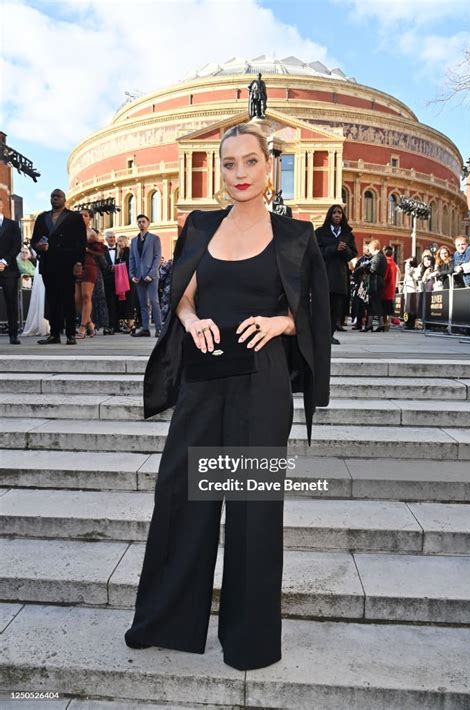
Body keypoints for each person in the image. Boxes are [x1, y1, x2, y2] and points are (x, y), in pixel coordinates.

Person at [124, 122, 331, 672]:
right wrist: (190, 321)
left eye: (250, 162)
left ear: (270, 168)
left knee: (252, 512)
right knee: (180, 497)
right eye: (229, 163)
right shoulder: (199, 225)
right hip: (202, 378)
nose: (239, 173)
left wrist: (281, 323)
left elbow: (312, 313)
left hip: (261, 385)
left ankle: (249, 640)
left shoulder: (296, 236)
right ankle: (165, 622)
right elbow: (182, 293)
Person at [31, 189, 86, 345]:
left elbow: (81, 242)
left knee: (68, 299)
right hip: (48, 263)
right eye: (52, 197)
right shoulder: (42, 218)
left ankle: (70, 334)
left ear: (64, 199)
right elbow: (34, 239)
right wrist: (38, 247)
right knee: (52, 299)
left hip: (67, 263)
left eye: (58, 197)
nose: (55, 199)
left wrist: (79, 262)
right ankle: (54, 334)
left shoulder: (74, 218)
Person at [315, 204, 357, 344]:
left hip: (340, 277)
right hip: (324, 275)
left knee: (336, 309)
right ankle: (320, 335)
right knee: (322, 309)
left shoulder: (348, 234)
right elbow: (316, 252)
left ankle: (330, 335)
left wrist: (344, 250)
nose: (337, 215)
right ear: (330, 215)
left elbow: (353, 254)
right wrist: (334, 248)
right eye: (334, 213)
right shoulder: (320, 232)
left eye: (340, 212)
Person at [75, 209, 106, 338]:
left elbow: (101, 252)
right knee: (77, 299)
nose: (83, 217)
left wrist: (88, 250)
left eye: (86, 215)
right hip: (76, 266)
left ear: (90, 219)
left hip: (89, 266)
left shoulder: (91, 233)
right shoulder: (72, 233)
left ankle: (82, 328)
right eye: (81, 215)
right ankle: (90, 324)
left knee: (86, 296)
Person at [129, 214, 162, 337]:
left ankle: (159, 328)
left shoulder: (154, 238)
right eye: (139, 222)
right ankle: (145, 329)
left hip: (151, 276)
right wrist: (131, 275)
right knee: (143, 303)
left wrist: (152, 274)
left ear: (148, 224)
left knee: (154, 301)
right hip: (138, 276)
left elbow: (157, 257)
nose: (141, 224)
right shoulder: (133, 240)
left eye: (143, 222)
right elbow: (132, 258)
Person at [0, 196, 22, 344]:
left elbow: (16, 245)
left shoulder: (13, 225)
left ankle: (13, 335)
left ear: (2, 205)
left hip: (9, 269)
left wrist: (4, 261)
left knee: (11, 302)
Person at [363, 239, 387, 332]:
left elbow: (373, 269)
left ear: (374, 248)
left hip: (376, 282)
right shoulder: (380, 256)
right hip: (377, 281)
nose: (369, 252)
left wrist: (365, 268)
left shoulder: (378, 257)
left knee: (376, 303)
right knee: (372, 303)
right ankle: (369, 324)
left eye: (370, 249)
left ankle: (380, 324)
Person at [115, 235, 135, 332]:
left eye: (121, 241)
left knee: (129, 302)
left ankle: (130, 324)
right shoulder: (119, 252)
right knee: (123, 302)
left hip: (128, 280)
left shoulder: (128, 251)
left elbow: (129, 264)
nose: (119, 243)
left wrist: (117, 266)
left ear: (126, 242)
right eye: (118, 241)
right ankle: (125, 323)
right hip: (121, 280)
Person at [103, 230, 119, 333]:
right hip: (107, 279)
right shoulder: (103, 250)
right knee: (110, 303)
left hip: (119, 279)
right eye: (110, 237)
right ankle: (110, 325)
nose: (112, 239)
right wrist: (109, 268)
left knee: (119, 302)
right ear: (106, 239)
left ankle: (117, 325)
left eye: (113, 237)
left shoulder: (120, 248)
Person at [381, 246, 399, 331]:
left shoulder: (386, 262)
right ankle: (387, 324)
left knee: (385, 308)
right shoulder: (394, 263)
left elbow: (385, 276)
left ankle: (385, 325)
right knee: (389, 307)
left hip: (386, 288)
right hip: (391, 287)